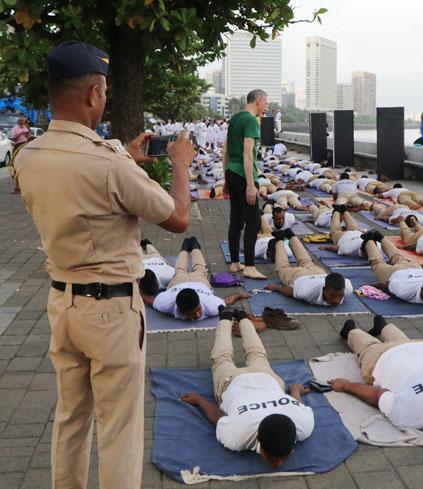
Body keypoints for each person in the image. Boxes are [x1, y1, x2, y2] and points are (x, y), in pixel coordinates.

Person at [14, 41, 195, 489]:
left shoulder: (27, 157)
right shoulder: (109, 164)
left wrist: (124, 159)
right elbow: (177, 217)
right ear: (94, 93)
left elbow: (76, 185)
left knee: (71, 418)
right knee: (118, 428)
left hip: (63, 303)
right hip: (112, 313)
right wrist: (180, 165)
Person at [180, 309, 314, 467]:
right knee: (223, 357)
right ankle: (231, 318)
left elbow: (296, 404)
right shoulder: (237, 437)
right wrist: (199, 400)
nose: (278, 465)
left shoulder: (304, 425)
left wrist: (295, 391)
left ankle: (236, 318)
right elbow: (218, 417)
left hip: (263, 378)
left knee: (255, 354)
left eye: (284, 458)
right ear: (259, 442)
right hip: (234, 382)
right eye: (272, 458)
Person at [143, 237, 248, 319]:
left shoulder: (163, 303)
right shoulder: (166, 304)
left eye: (198, 309)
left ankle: (187, 248)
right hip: (197, 282)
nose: (198, 315)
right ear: (180, 311)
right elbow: (228, 300)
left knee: (181, 270)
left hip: (181, 282)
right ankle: (193, 248)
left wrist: (138, 293)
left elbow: (150, 300)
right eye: (192, 314)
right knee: (198, 268)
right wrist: (239, 295)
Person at [223, 89, 267, 279]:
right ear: (258, 101)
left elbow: (224, 150)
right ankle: (249, 265)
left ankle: (235, 262)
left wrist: (226, 178)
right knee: (253, 221)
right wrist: (251, 185)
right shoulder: (250, 120)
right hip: (244, 174)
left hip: (232, 172)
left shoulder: (235, 119)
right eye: (265, 103)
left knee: (236, 219)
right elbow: (247, 153)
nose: (265, 107)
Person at [361, 231, 423, 306]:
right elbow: (386, 284)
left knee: (398, 256)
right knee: (377, 263)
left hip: (416, 267)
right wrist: (369, 286)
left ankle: (380, 237)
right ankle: (369, 240)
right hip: (395, 272)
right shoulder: (404, 291)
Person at [265, 229, 354, 306]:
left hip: (318, 273)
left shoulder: (348, 288)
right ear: (324, 289)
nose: (336, 300)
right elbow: (291, 292)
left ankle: (291, 236)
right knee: (283, 267)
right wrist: (276, 288)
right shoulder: (306, 292)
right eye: (332, 295)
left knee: (306, 261)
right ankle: (280, 239)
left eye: (341, 295)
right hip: (298, 277)